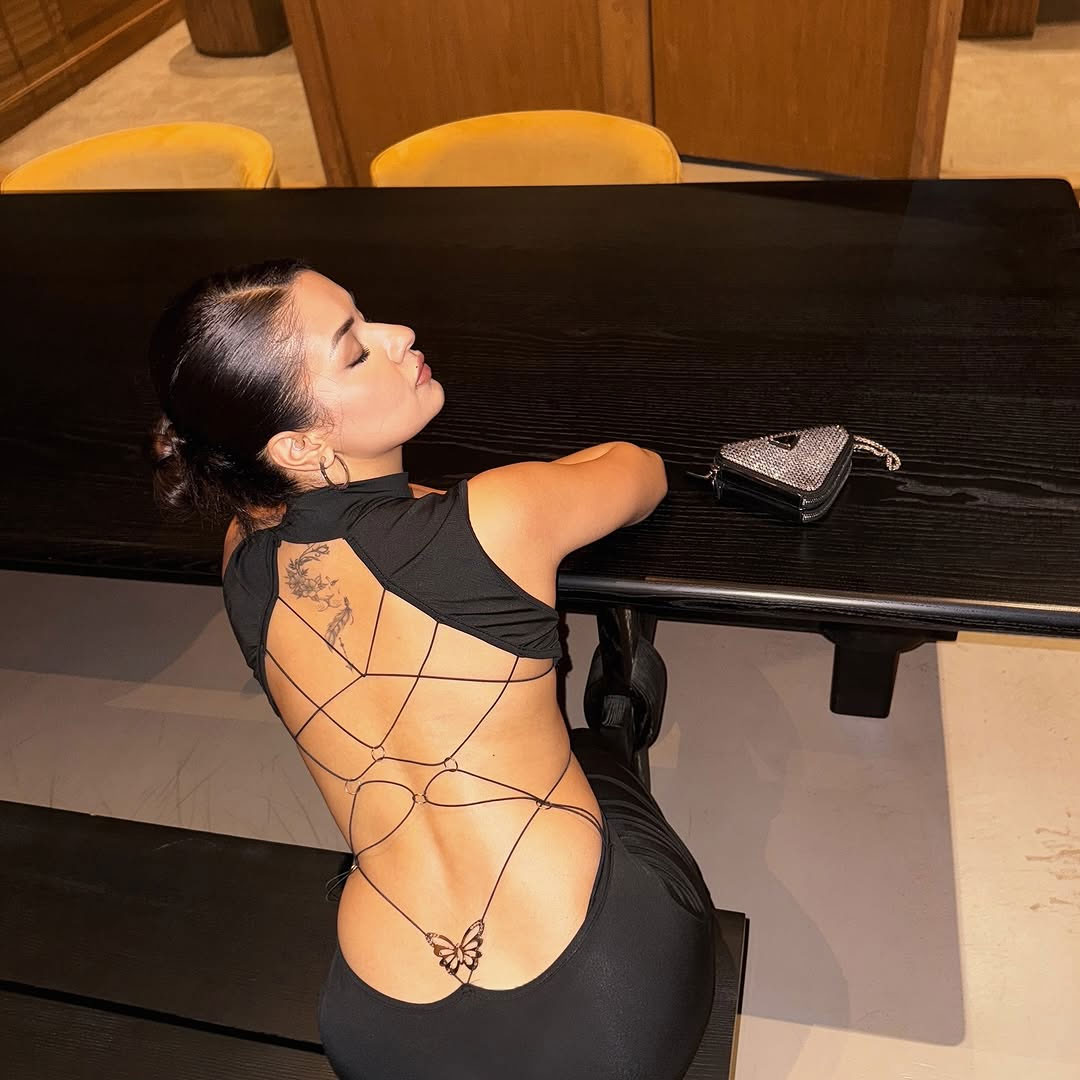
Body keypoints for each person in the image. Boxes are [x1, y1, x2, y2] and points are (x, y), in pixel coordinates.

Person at [147, 257, 719, 1079]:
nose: (399, 335)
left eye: (366, 316)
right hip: (610, 1011)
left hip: (377, 1033)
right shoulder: (500, 513)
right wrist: (534, 489)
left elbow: (327, 521)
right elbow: (642, 469)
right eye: (356, 350)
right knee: (598, 756)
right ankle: (620, 723)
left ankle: (615, 716)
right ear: (298, 443)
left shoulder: (240, 558)